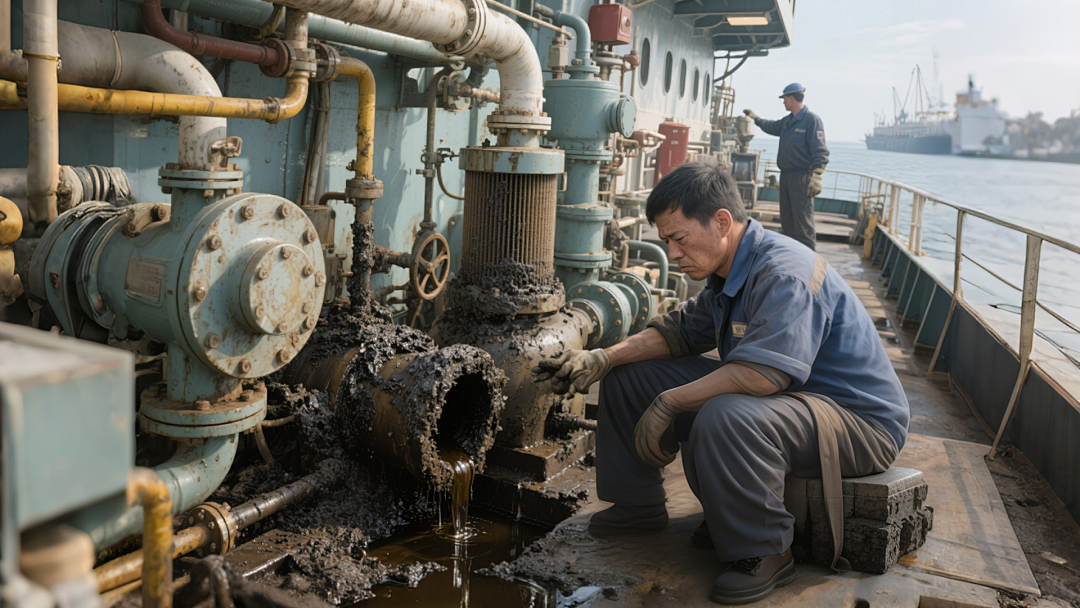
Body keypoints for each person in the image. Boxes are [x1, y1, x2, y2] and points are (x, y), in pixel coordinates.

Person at [532, 160, 909, 605]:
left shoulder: (783, 272)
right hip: (792, 403)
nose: (673, 253)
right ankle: (637, 506)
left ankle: (765, 550)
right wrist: (602, 357)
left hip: (857, 422)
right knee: (631, 375)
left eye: (679, 238)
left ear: (722, 222)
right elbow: (678, 333)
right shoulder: (728, 274)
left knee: (726, 413)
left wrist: (669, 403)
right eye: (666, 242)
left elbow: (762, 376)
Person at [744, 83, 829, 251]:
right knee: (788, 221)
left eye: (784, 99)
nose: (783, 102)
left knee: (802, 222)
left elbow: (820, 150)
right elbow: (771, 126)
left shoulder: (811, 120)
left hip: (802, 178)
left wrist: (817, 176)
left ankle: (809, 258)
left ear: (791, 98)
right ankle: (791, 256)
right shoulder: (787, 121)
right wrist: (756, 119)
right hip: (786, 177)